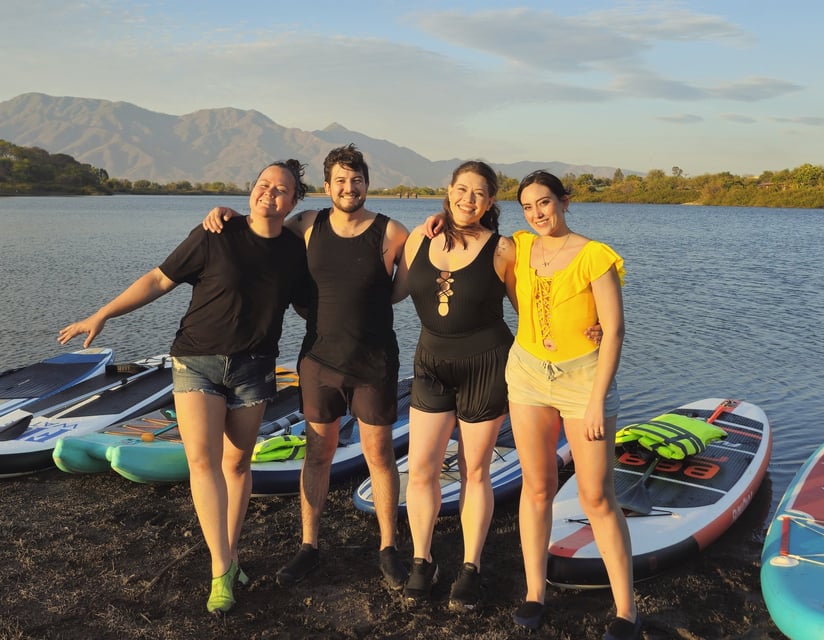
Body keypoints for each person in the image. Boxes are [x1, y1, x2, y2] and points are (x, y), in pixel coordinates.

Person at [59, 160, 310, 615]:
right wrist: (102, 314)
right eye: (262, 185)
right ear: (250, 190)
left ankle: (230, 556)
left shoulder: (295, 253)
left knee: (236, 465)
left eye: (281, 189)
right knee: (202, 461)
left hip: (255, 367)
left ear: (293, 201)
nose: (269, 193)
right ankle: (220, 569)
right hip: (196, 360)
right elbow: (159, 279)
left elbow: (320, 300)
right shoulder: (216, 233)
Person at [202, 144, 412, 591]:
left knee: (379, 453)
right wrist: (226, 215)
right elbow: (263, 228)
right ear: (326, 186)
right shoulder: (307, 225)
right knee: (318, 452)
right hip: (319, 361)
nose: (348, 187)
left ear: (367, 184)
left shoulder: (393, 232)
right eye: (340, 180)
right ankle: (309, 545)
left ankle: (389, 548)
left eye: (356, 180)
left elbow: (406, 288)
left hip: (373, 360)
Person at [506, 170, 637, 640]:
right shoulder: (518, 247)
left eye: (545, 202)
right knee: (537, 486)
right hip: (526, 374)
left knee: (596, 495)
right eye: (527, 206)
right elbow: (468, 236)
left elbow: (615, 329)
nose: (537, 213)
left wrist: (599, 399)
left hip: (584, 380)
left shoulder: (594, 256)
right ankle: (535, 593)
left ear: (564, 201)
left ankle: (626, 611)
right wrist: (434, 224)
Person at [399, 161, 514, 611]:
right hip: (430, 363)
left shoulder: (502, 249)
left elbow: (532, 310)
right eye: (462, 190)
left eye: (479, 193)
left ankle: (470, 565)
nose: (469, 199)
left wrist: (589, 331)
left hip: (486, 365)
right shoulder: (418, 237)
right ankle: (422, 559)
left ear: (490, 202)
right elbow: (382, 288)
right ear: (448, 191)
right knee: (423, 467)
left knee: (474, 470)